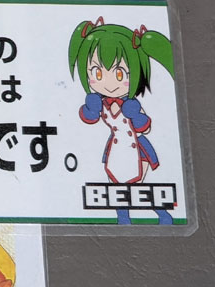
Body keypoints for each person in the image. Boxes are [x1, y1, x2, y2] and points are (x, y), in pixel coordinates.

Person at [68, 18, 175, 223]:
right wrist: (90, 109)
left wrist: (135, 115)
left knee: (138, 187)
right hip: (116, 149)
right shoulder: (101, 102)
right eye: (97, 73)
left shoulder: (132, 103)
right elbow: (89, 118)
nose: (108, 83)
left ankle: (163, 214)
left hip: (137, 148)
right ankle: (123, 219)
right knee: (116, 186)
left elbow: (145, 127)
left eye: (119, 74)